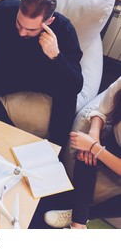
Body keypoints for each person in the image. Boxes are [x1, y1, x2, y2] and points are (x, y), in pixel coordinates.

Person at [0, 0, 83, 147]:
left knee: (68, 92)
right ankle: (10, 137)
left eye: (31, 29)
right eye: (19, 24)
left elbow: (76, 84)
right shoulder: (2, 11)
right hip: (11, 71)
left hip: (46, 76)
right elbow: (0, 51)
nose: (22, 32)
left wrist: (56, 55)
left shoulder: (64, 29)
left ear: (48, 22)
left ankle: (55, 151)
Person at [44, 77, 121, 229]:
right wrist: (94, 136)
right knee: (84, 155)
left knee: (89, 150)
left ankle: (80, 215)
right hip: (116, 142)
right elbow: (101, 110)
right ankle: (78, 225)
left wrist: (95, 148)